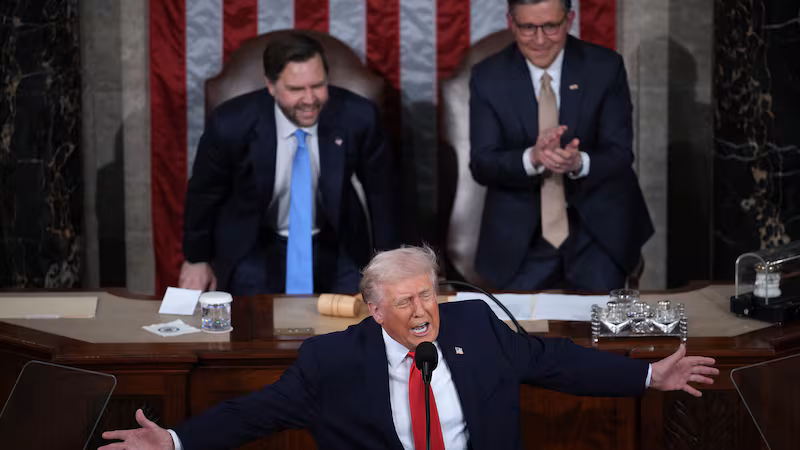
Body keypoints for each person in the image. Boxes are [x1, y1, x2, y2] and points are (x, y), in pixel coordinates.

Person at [101, 246, 718, 450]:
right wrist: (177, 441)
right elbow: (254, 413)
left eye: (427, 295)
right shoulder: (333, 361)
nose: (423, 311)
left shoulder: (475, 328)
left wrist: (645, 379)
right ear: (374, 310)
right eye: (404, 302)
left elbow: (555, 361)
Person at [179, 32, 399, 296]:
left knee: (356, 326)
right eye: (296, 89)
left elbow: (383, 194)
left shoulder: (358, 116)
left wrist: (392, 263)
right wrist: (196, 258)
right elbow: (204, 194)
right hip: (255, 242)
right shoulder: (230, 124)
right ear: (271, 86)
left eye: (318, 85)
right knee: (254, 329)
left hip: (336, 240)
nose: (309, 99)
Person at [469, 0, 654, 292]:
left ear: (569, 20)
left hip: (597, 229)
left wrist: (577, 162)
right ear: (511, 23)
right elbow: (482, 164)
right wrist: (532, 158)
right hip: (522, 235)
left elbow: (620, 154)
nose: (540, 40)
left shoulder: (604, 68)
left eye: (551, 26)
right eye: (528, 27)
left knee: (603, 331)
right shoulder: (488, 77)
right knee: (513, 331)